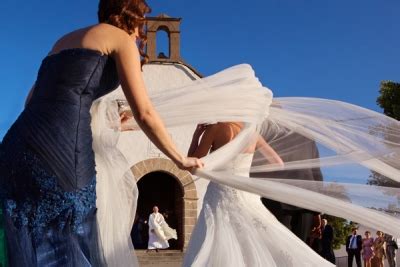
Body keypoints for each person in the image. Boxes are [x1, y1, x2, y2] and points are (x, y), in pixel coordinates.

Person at [0, 0, 202, 265]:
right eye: (141, 26)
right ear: (133, 18)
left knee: (30, 231)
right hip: (63, 149)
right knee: (69, 234)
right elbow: (145, 113)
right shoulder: (120, 39)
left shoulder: (63, 41)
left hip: (17, 145)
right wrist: (180, 159)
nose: (141, 35)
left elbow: (32, 100)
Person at [183, 122, 334, 266]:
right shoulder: (251, 133)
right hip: (248, 195)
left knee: (220, 240)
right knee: (258, 242)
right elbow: (278, 163)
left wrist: (196, 136)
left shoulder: (215, 129)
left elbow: (192, 166)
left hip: (221, 192)